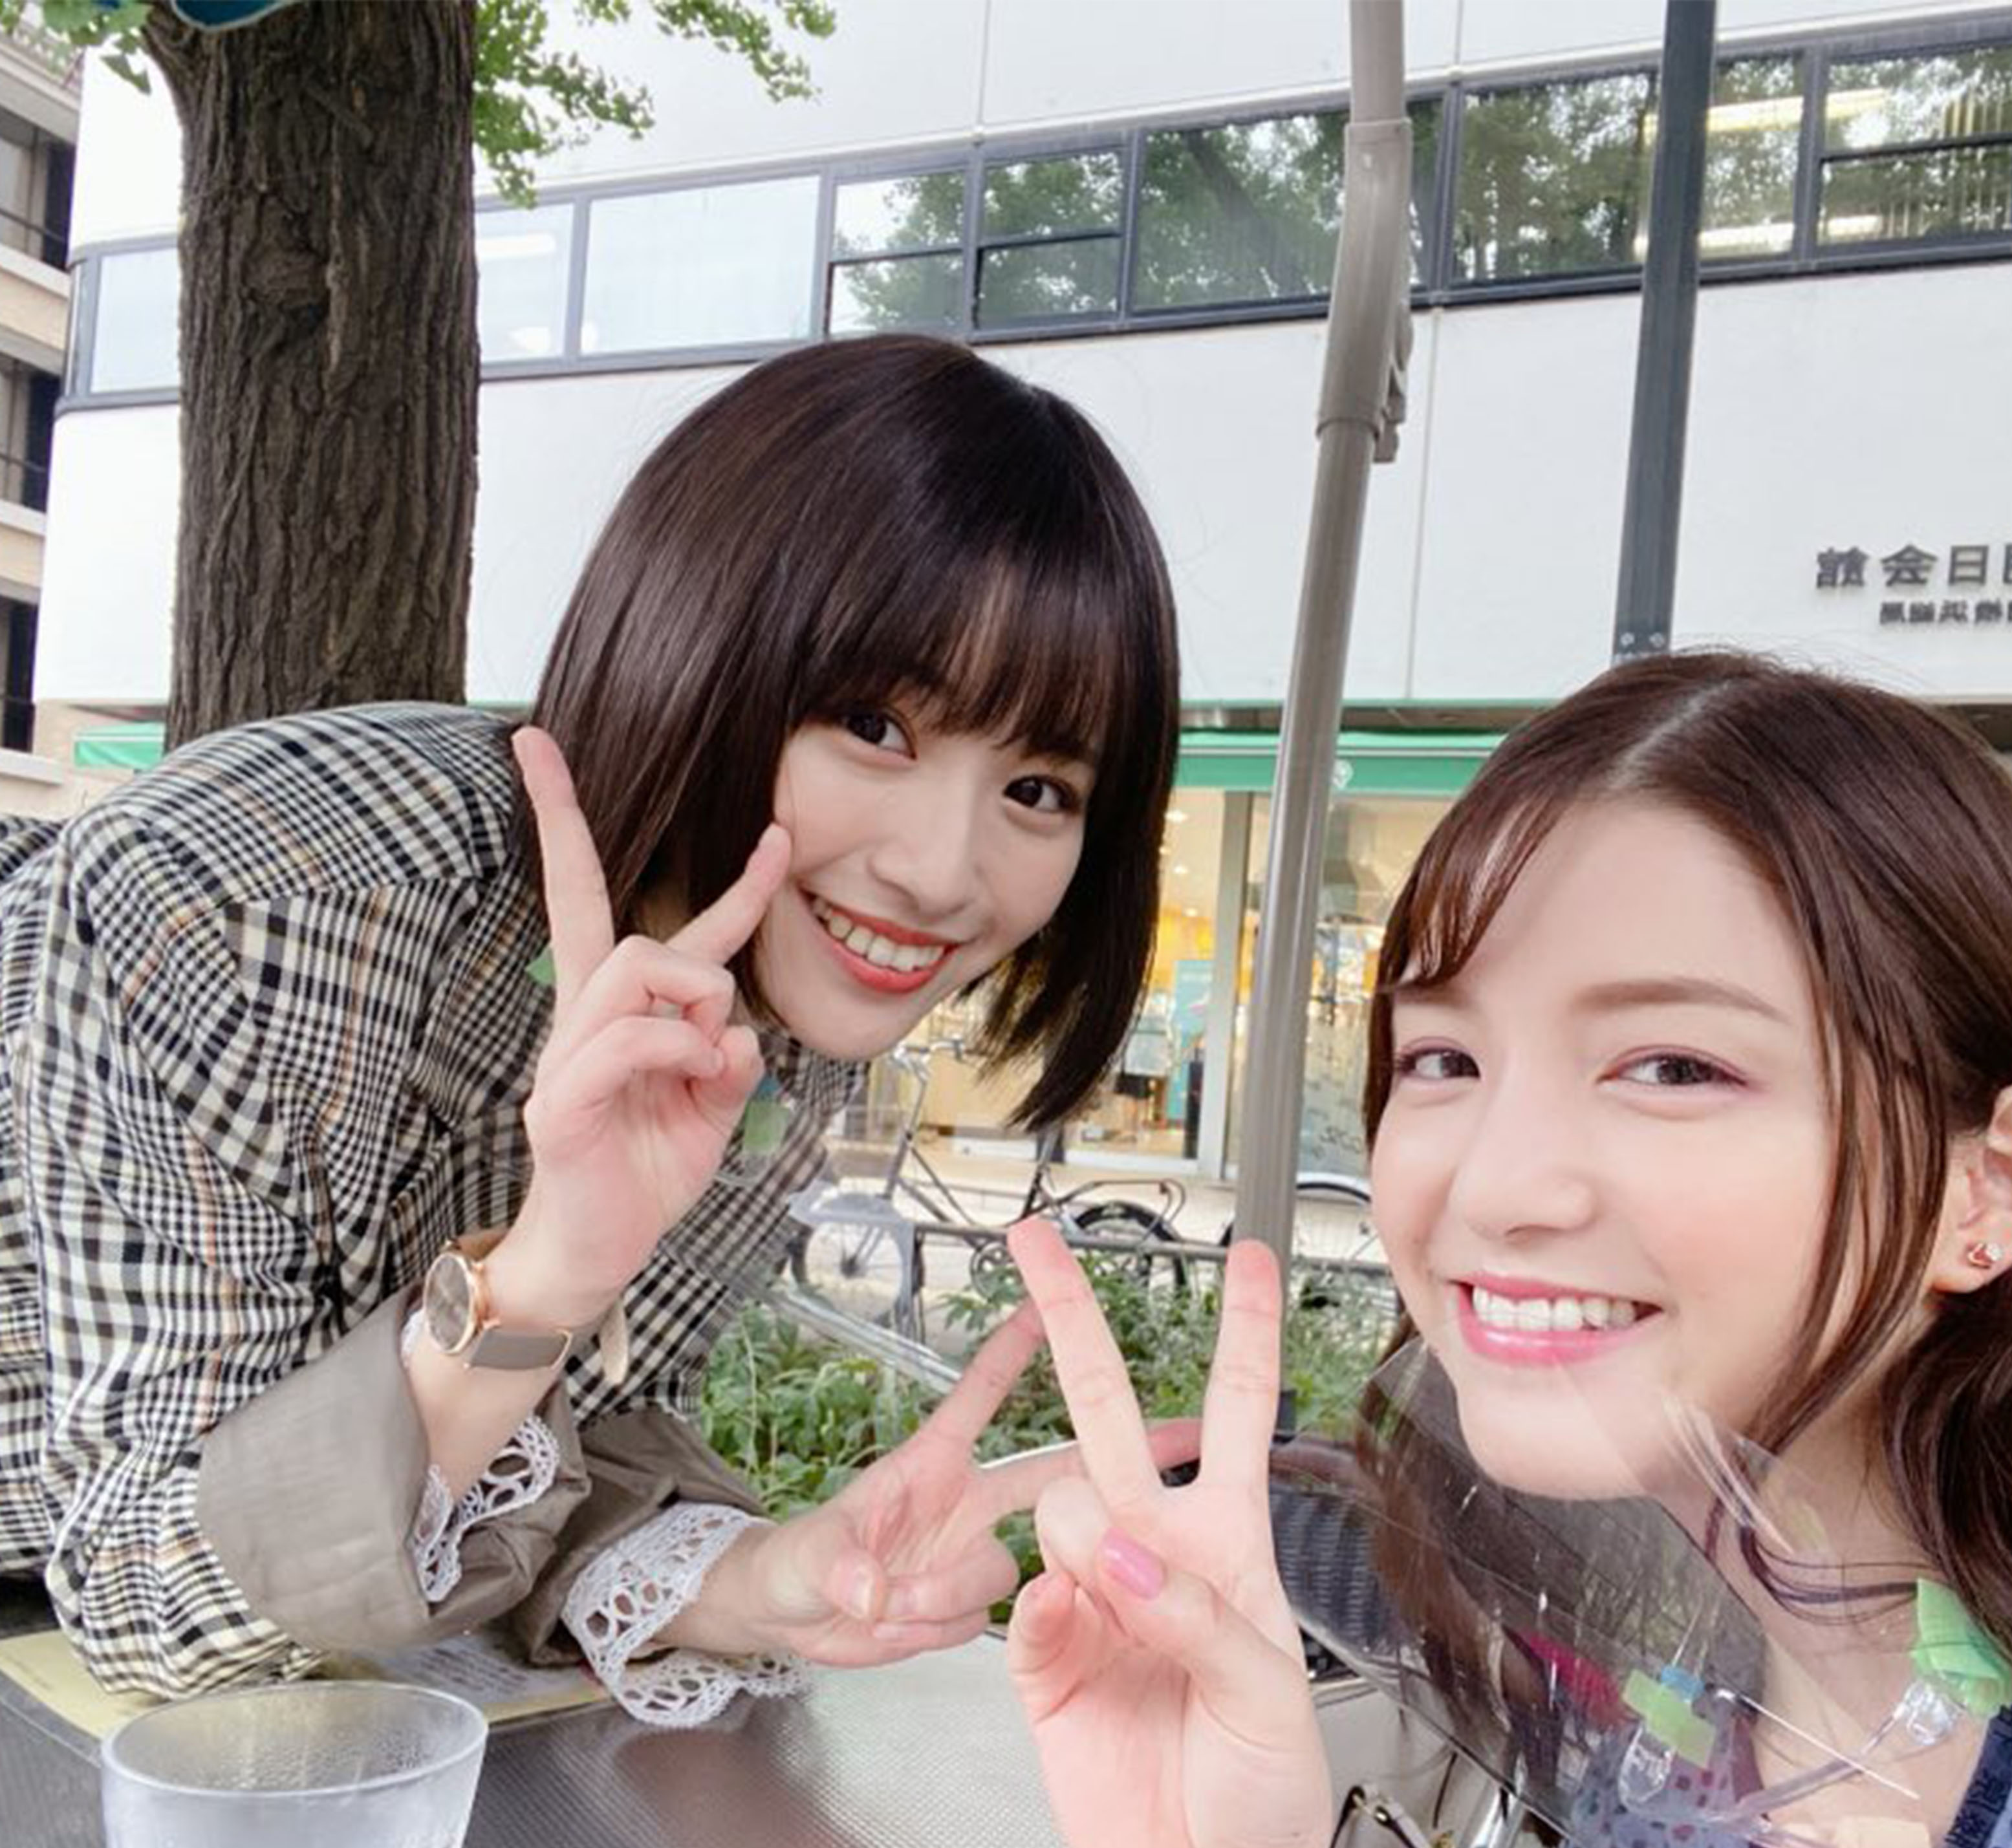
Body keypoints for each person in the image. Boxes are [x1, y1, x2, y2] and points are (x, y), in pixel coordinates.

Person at [0, 332, 1193, 1722]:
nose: (941, 874)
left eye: (1040, 790)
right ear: (698, 639)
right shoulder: (246, 904)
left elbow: (573, 1438)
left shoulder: (776, 1021)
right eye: (876, 724)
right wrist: (534, 1284)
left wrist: (760, 1580)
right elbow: (143, 1589)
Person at [1002, 651, 2012, 1848]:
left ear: (1990, 1187)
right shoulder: (1681, 1780)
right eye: (1444, 1060)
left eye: (1674, 1067)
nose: (1496, 1186)